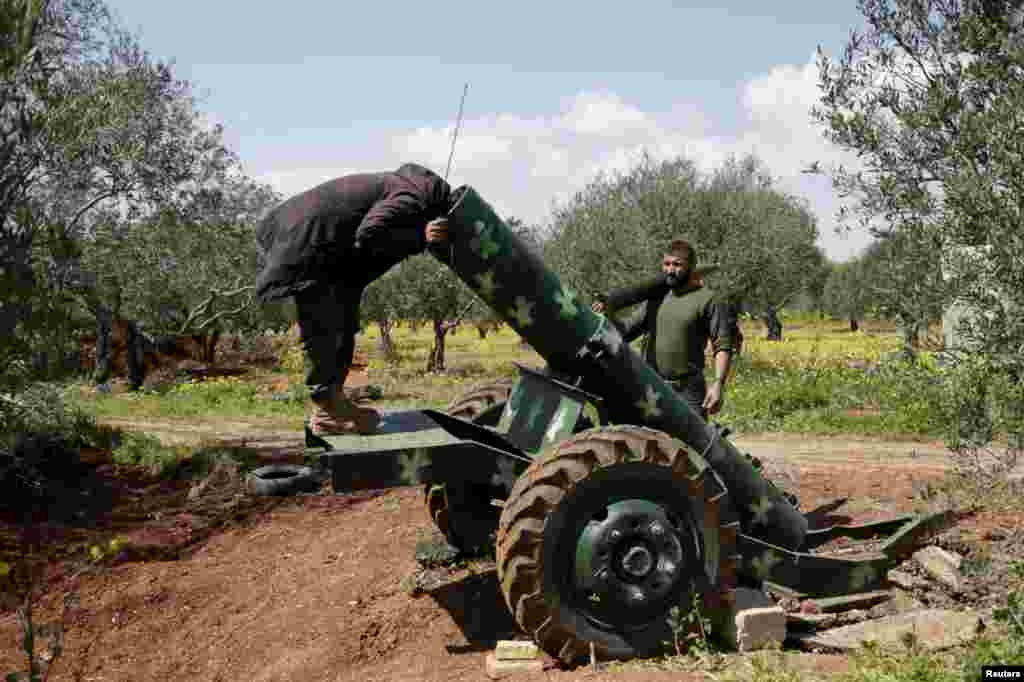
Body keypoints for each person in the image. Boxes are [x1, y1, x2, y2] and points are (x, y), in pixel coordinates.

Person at [255, 163, 453, 435]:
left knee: (339, 323)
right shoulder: (414, 198)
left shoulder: (402, 188)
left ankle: (330, 406)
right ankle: (329, 410)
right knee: (327, 326)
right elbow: (371, 232)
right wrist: (421, 237)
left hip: (310, 238)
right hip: (314, 243)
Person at [593, 240, 738, 418]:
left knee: (692, 445)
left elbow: (722, 345)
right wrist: (609, 315)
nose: (670, 270)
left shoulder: (709, 300)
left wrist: (718, 384)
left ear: (691, 267)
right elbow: (626, 332)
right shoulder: (656, 299)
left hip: (688, 391)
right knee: (646, 442)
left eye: (677, 265)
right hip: (652, 389)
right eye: (667, 264)